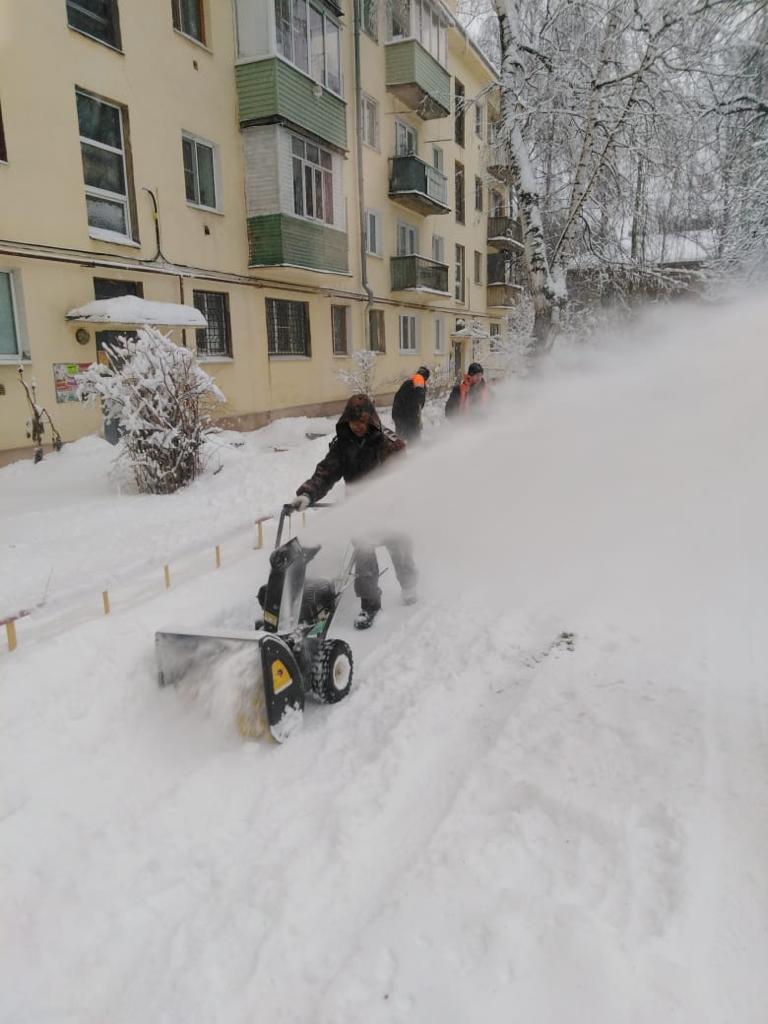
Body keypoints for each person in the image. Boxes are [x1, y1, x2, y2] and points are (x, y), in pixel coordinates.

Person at [289, 394, 418, 630]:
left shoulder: (390, 444)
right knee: (364, 554)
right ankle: (370, 606)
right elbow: (326, 473)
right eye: (353, 422)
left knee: (400, 548)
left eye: (362, 422)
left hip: (392, 508)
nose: (357, 427)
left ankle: (409, 586)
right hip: (362, 512)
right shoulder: (343, 444)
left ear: (372, 420)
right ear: (346, 421)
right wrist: (308, 493)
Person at [391, 366, 430, 443]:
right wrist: (417, 422)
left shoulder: (409, 382)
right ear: (425, 377)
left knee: (400, 439)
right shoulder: (419, 382)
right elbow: (417, 403)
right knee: (413, 441)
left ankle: (400, 453)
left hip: (398, 414)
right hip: (407, 417)